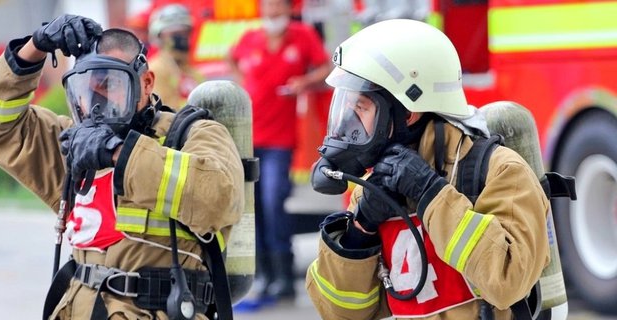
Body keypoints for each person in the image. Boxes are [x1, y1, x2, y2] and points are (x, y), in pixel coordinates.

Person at [0, 14, 244, 320]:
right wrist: (35, 47)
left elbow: (219, 198)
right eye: (85, 89)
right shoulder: (73, 144)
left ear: (145, 82)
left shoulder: (191, 134)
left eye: (108, 83)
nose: (96, 100)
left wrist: (116, 153)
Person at [306, 19, 550, 319]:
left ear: (407, 113)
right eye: (346, 107)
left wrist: (430, 193)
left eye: (361, 108)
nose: (347, 125)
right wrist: (361, 230)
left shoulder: (499, 172)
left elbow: (507, 282)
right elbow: (341, 313)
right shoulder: (372, 190)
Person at [227, 0, 332, 308]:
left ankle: (284, 276)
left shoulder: (302, 36)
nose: (272, 16)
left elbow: (325, 68)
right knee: (252, 206)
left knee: (274, 202)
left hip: (280, 141)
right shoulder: (251, 39)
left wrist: (305, 82)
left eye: (277, 10)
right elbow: (230, 58)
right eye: (267, 10)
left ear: (287, 11)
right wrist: (241, 79)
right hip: (247, 137)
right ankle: (262, 274)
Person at [148, 3, 205, 110]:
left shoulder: (194, 72)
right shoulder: (155, 70)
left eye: (185, 33)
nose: (182, 38)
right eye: (175, 34)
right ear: (159, 37)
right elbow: (162, 113)